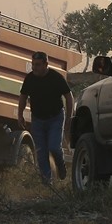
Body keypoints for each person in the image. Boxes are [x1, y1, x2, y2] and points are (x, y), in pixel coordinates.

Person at [17, 50, 73, 186]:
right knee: (41, 153)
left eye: (37, 65)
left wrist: (70, 117)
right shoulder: (30, 78)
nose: (34, 67)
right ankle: (47, 184)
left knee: (54, 147)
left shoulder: (56, 77)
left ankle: (61, 166)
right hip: (38, 120)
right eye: (33, 64)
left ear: (46, 64)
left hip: (55, 118)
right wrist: (20, 115)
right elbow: (23, 97)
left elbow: (68, 96)